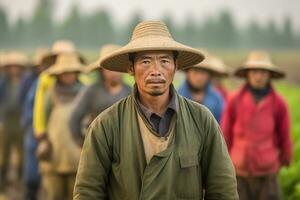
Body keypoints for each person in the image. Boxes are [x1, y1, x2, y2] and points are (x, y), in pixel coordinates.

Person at [74, 21, 238, 200]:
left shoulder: (202, 120)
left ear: (176, 66)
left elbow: (223, 190)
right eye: (145, 61)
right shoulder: (106, 125)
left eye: (165, 61)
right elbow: (88, 192)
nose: (156, 71)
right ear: (131, 68)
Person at [221, 50, 292, 200]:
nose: (258, 76)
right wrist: (222, 162)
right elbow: (225, 133)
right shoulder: (234, 100)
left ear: (269, 75)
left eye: (263, 72)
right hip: (238, 171)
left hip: (267, 172)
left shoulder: (279, 104)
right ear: (247, 74)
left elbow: (284, 135)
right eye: (254, 72)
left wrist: (286, 157)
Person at [36, 53, 84, 200]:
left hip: (78, 152)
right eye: (65, 73)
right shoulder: (51, 93)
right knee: (55, 195)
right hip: (55, 152)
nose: (68, 76)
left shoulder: (85, 92)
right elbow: (43, 118)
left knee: (75, 195)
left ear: (77, 73)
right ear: (59, 74)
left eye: (71, 72)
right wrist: (42, 138)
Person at [69, 44, 131, 146]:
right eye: (110, 68)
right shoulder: (91, 91)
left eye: (117, 68)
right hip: (97, 145)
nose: (114, 72)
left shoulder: (131, 92)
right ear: (102, 70)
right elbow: (74, 119)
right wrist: (82, 144)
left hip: (124, 146)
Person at [33, 40, 89, 142]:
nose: (68, 76)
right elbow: (40, 106)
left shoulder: (84, 86)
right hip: (56, 133)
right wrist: (40, 128)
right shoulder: (46, 80)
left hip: (79, 133)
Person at [21, 49, 52, 200]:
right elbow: (33, 106)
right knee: (33, 175)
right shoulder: (36, 80)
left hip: (54, 134)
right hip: (35, 132)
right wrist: (37, 128)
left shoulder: (79, 84)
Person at [0, 52, 28, 190]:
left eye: (17, 66)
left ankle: (19, 180)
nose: (14, 69)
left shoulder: (25, 82)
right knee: (4, 152)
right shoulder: (3, 82)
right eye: (11, 67)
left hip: (20, 119)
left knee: (21, 152)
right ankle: (2, 181)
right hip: (7, 120)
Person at [178, 51, 225, 122]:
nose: (199, 77)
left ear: (209, 75)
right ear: (187, 72)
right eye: (195, 72)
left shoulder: (217, 99)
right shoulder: (175, 97)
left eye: (203, 73)